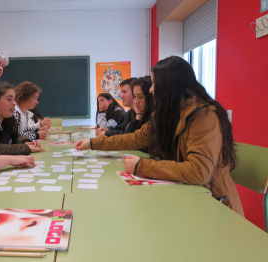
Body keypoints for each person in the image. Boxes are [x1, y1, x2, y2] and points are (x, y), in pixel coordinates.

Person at [75, 56, 243, 216]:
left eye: (155, 83)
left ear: (171, 86)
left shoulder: (204, 115)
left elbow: (199, 172)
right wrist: (93, 143)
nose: (151, 89)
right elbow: (133, 138)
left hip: (213, 204)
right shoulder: (167, 112)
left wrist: (141, 166)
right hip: (184, 196)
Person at [0, 81, 45, 155]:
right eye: (9, 99)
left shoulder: (7, 118)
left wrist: (25, 142)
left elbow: (14, 135)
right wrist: (26, 148)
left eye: (14, 99)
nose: (14, 103)